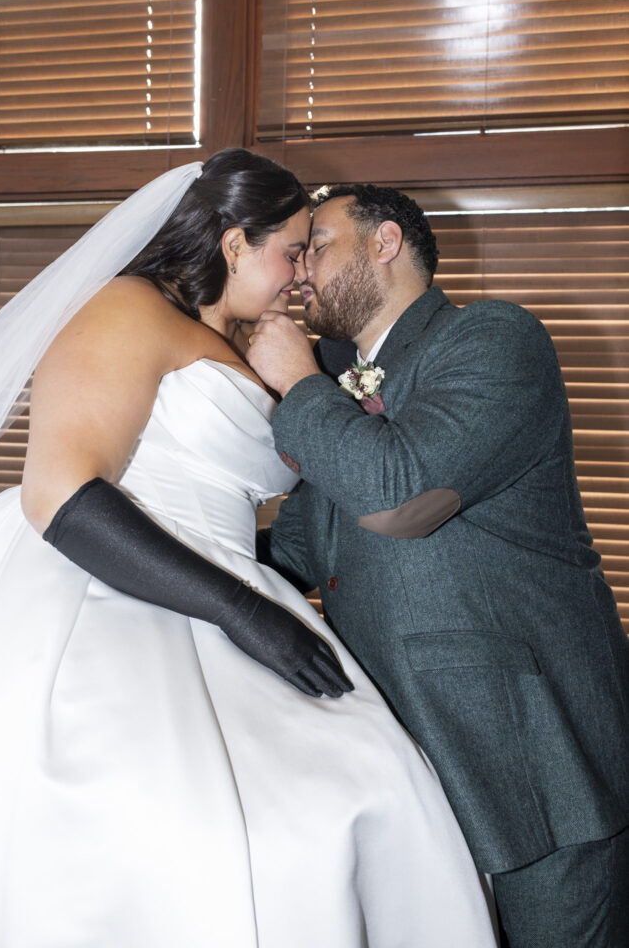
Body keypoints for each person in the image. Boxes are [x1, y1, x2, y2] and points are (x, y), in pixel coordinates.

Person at [0, 152, 498, 947]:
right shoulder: (127, 307)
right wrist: (242, 613)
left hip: (228, 579)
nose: (302, 274)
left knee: (357, 795)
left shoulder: (263, 350)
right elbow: (60, 494)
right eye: (292, 250)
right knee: (169, 840)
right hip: (105, 587)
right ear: (234, 244)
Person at [247, 182, 629, 948]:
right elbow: (298, 550)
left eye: (316, 244)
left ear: (384, 243)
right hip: (407, 767)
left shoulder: (493, 338)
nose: (298, 274)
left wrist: (297, 381)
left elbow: (402, 499)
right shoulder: (341, 385)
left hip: (536, 765)